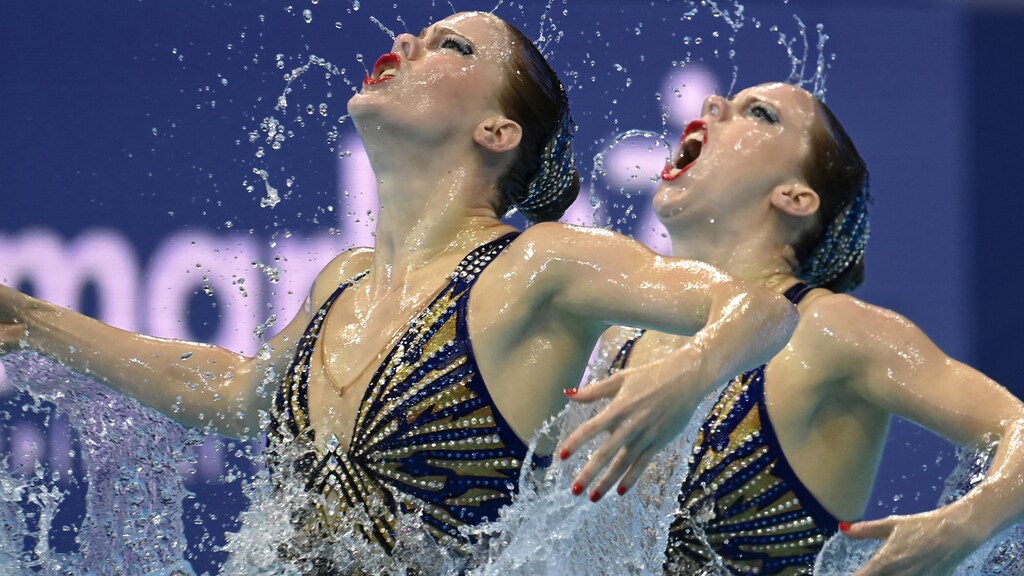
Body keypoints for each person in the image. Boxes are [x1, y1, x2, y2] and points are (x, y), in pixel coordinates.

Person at [0, 13, 797, 568]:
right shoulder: (341, 281)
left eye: (451, 46)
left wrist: (684, 377)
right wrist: (32, 320)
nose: (408, 42)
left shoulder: (539, 264)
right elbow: (238, 393)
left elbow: (759, 307)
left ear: (497, 132)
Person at [559, 82, 1024, 575]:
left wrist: (961, 528)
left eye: (760, 113)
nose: (713, 104)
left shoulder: (831, 329)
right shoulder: (621, 339)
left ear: (795, 197)